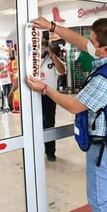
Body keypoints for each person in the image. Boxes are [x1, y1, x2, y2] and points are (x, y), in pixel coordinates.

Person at [27, 17, 107, 212]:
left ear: (105, 50)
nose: (88, 45)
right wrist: (52, 27)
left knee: (100, 201)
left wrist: (45, 89)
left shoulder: (105, 79)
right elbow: (80, 42)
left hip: (105, 146)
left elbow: (74, 106)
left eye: (93, 43)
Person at [39, 31, 67, 162]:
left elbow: (62, 70)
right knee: (35, 124)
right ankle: (36, 149)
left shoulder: (54, 59)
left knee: (49, 123)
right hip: (34, 96)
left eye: (44, 44)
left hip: (49, 96)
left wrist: (52, 55)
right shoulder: (33, 61)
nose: (42, 47)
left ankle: (50, 151)